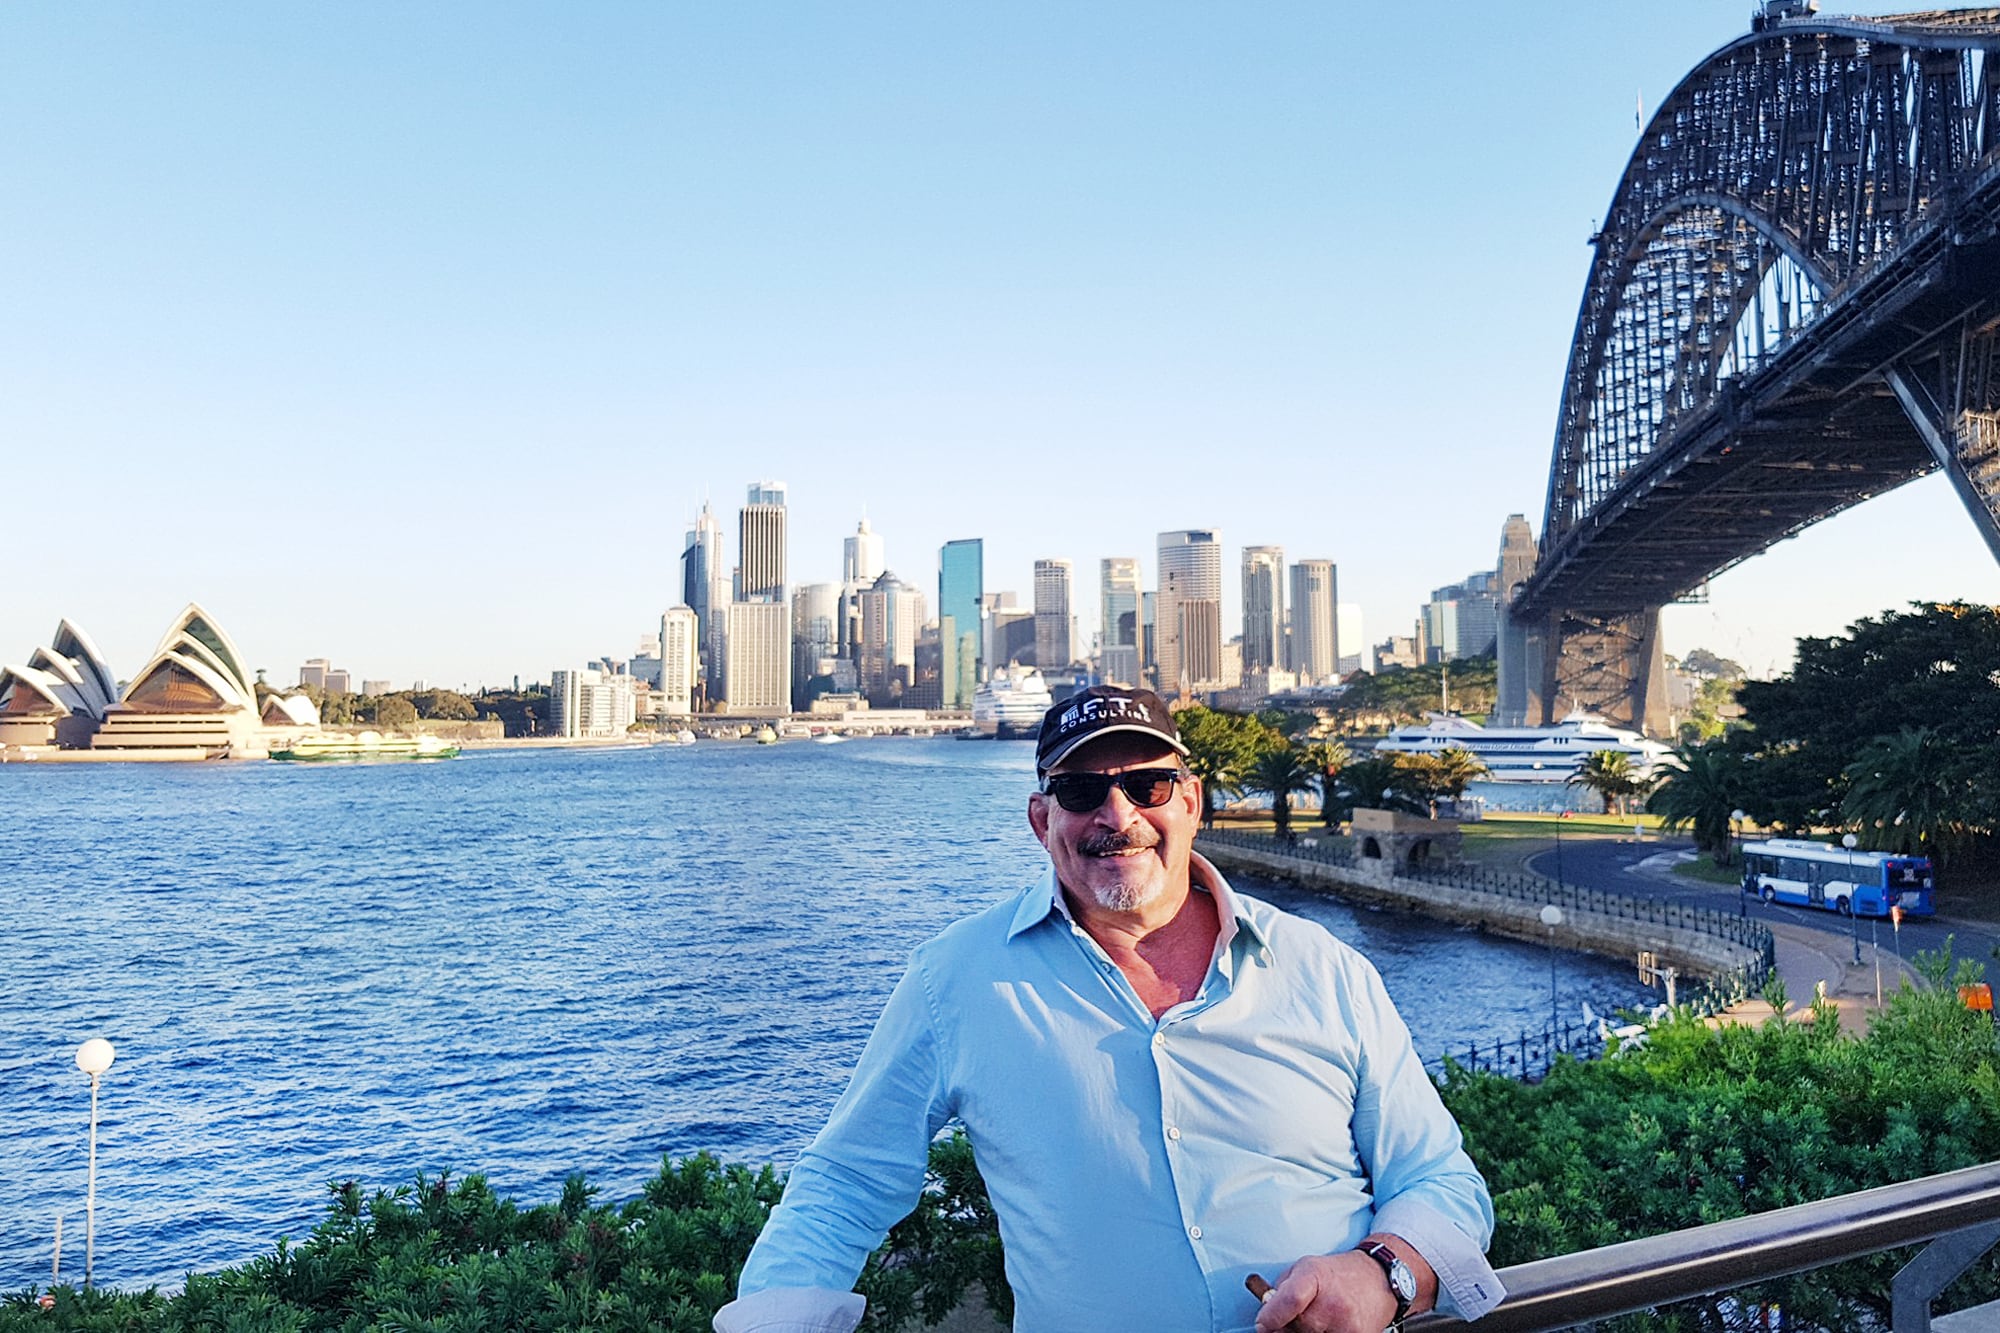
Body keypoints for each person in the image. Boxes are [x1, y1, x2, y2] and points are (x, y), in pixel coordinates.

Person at [716, 686, 1503, 1333]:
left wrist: (1384, 1275)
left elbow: (1439, 1177)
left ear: (1191, 801)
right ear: (1042, 820)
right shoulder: (953, 981)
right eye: (1082, 790)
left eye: (1147, 785)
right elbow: (845, 1181)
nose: (1117, 814)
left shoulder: (1326, 970)